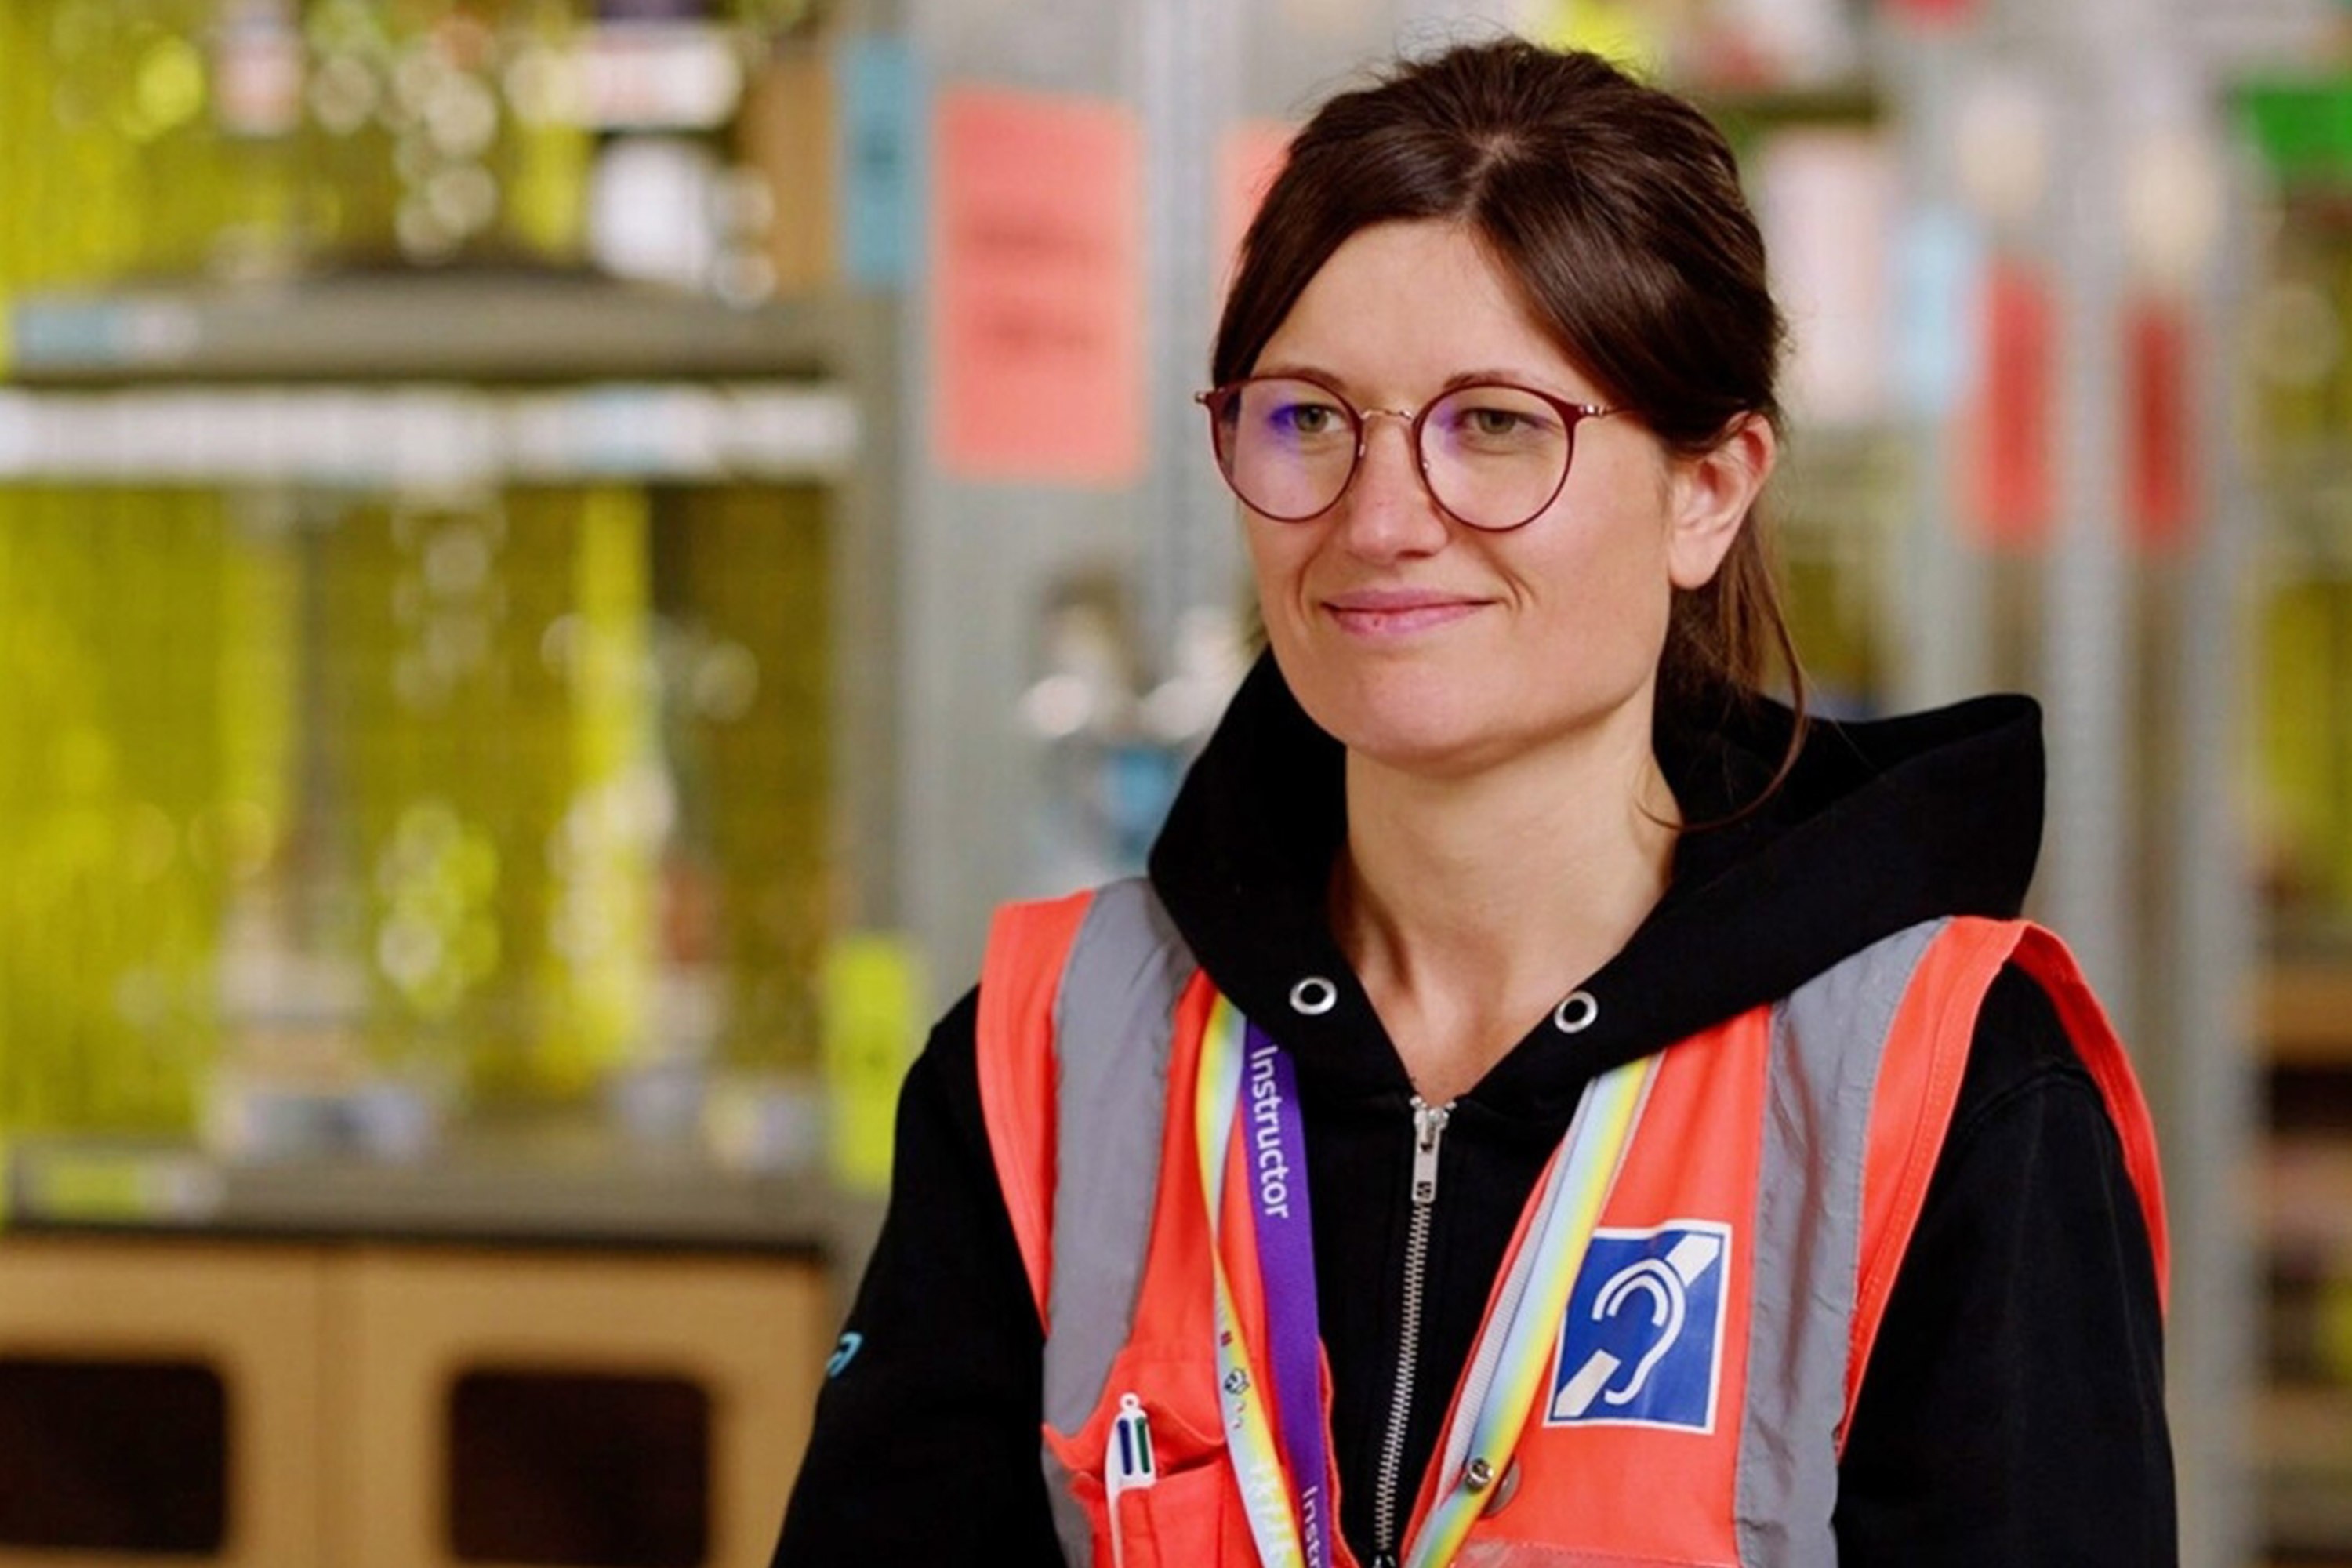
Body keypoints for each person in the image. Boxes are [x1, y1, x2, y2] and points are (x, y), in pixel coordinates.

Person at [774, 36, 2173, 1568]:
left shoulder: (1946, 1087)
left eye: (1496, 425)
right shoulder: (1051, 1056)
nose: (1380, 522)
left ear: (1709, 488)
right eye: (1307, 418)